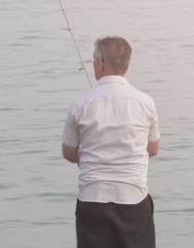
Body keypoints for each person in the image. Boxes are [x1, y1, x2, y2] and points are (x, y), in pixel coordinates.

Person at [62, 36, 160, 248]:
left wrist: (91, 156)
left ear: (101, 63)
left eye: (94, 60)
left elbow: (69, 152)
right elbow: (153, 149)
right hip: (133, 198)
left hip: (92, 198)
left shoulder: (80, 104)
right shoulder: (145, 102)